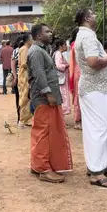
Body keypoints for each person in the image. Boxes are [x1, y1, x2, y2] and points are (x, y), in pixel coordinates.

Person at [75, 8, 107, 189]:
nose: (96, 16)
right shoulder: (87, 37)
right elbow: (93, 62)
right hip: (94, 89)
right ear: (87, 18)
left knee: (97, 128)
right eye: (93, 14)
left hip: (96, 88)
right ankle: (96, 173)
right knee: (99, 130)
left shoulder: (86, 35)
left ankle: (96, 165)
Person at [28, 24, 73, 183]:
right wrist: (48, 93)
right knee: (43, 132)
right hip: (43, 98)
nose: (50, 33)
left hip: (47, 97)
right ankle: (43, 169)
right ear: (39, 36)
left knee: (45, 131)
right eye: (47, 31)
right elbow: (39, 74)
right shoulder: (36, 52)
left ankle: (38, 165)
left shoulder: (41, 50)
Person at [18, 34, 33, 127]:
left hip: (26, 75)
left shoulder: (26, 48)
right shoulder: (24, 49)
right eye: (32, 39)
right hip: (25, 75)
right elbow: (24, 64)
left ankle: (27, 119)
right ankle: (22, 120)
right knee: (25, 97)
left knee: (28, 97)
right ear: (28, 41)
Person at [52, 39, 71, 116]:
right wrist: (66, 65)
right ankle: (61, 116)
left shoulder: (58, 53)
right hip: (60, 78)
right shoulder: (58, 54)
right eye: (65, 45)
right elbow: (59, 66)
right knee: (63, 96)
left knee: (63, 96)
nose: (66, 46)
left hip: (61, 78)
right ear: (61, 46)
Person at [69, 28, 82, 130]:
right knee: (78, 97)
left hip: (82, 71)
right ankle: (77, 121)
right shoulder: (75, 45)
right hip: (79, 72)